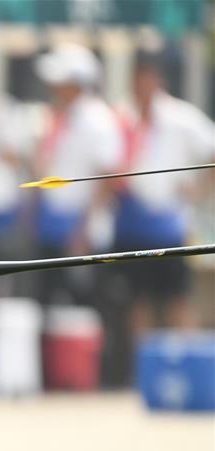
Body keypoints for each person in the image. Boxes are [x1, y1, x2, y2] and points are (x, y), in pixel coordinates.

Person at [100, 51, 215, 384]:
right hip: (131, 221)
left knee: (178, 299)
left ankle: (192, 374)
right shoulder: (121, 117)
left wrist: (199, 190)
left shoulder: (179, 117)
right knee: (138, 302)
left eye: (148, 77)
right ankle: (146, 377)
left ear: (158, 80)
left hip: (169, 224)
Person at [30, 43, 123, 304]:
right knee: (50, 306)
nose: (53, 88)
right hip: (54, 227)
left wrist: (83, 231)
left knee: (84, 309)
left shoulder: (98, 120)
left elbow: (107, 177)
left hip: (83, 235)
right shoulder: (62, 116)